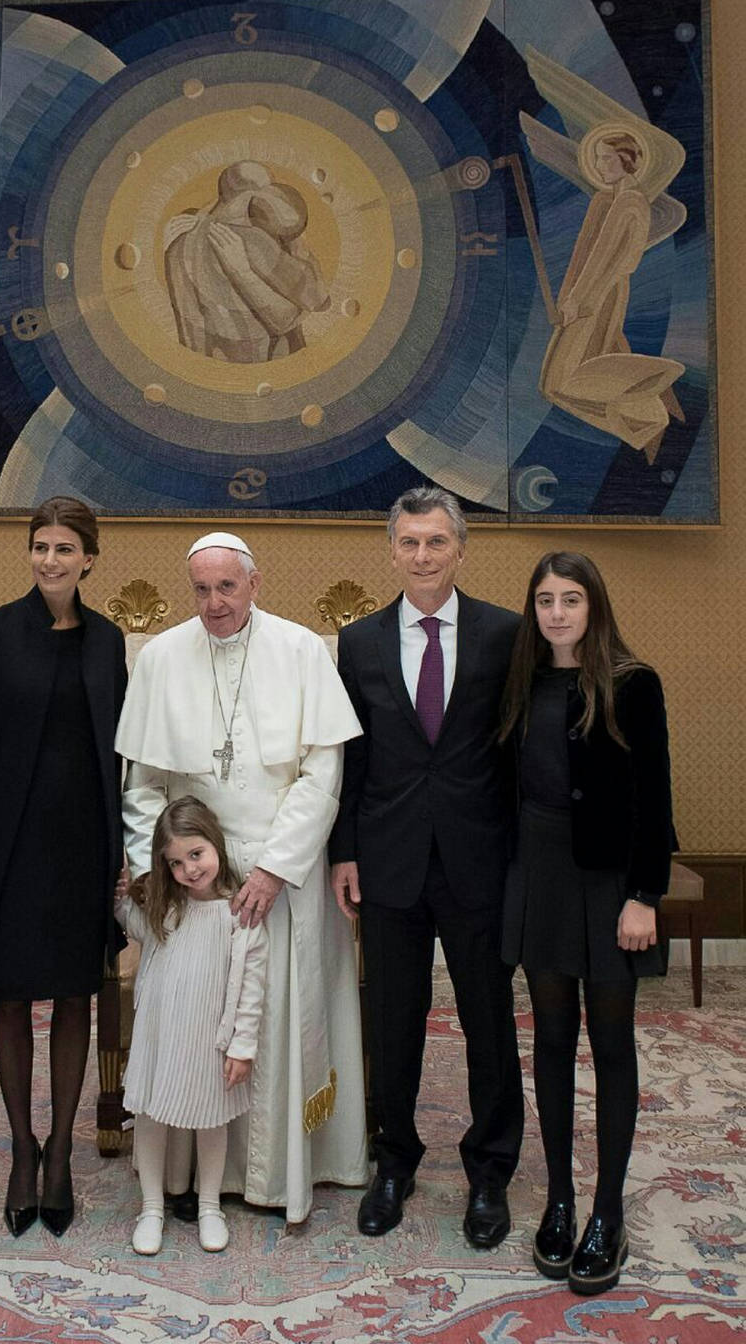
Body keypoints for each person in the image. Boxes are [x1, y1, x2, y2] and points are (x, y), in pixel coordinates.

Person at [114, 530, 367, 1225]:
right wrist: (153, 876)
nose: (214, 603)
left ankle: (279, 1173)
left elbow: (323, 772)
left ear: (256, 583)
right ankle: (193, 1181)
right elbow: (143, 788)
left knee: (274, 1020)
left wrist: (276, 869)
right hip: (194, 889)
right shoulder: (163, 657)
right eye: (201, 589)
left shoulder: (300, 651)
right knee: (200, 1028)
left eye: (227, 587)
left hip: (281, 878)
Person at [329, 486, 524, 1245]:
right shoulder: (360, 642)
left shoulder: (505, 635)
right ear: (393, 550)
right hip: (388, 862)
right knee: (393, 1020)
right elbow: (350, 757)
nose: (422, 556)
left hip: (479, 860)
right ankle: (394, 1161)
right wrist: (344, 850)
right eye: (409, 543)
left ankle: (490, 1170)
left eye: (435, 542)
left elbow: (513, 755)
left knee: (488, 1021)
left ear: (460, 549)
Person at [0, 495, 126, 1237]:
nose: (50, 560)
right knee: (14, 995)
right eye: (40, 547)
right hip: (10, 843)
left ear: (89, 557)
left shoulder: (108, 639)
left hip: (83, 843)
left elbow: (121, 748)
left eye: (64, 548)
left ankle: (61, 1154)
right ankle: (23, 1149)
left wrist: (124, 851)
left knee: (77, 996)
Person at [499, 551, 674, 1294]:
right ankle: (561, 1200)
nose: (558, 612)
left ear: (595, 606)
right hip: (537, 875)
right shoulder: (522, 681)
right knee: (550, 1039)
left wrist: (645, 895)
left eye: (572, 598)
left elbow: (654, 797)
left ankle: (608, 1212)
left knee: (609, 1045)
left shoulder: (633, 684)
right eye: (545, 599)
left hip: (607, 886)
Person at [115, 796, 267, 1256]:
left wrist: (242, 1046)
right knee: (151, 1117)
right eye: (176, 862)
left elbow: (252, 988)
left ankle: (209, 1206)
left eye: (195, 854)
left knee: (212, 1121)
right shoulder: (167, 906)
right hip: (159, 1037)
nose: (188, 869)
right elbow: (134, 923)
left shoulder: (239, 912)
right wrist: (122, 896)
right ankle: (152, 1207)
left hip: (208, 1043)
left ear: (215, 842)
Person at [538, 124, 685, 456]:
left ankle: (649, 405)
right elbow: (584, 253)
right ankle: (643, 412)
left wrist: (580, 299)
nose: (601, 166)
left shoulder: (631, 204)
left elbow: (612, 260)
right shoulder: (607, 200)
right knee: (561, 380)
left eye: (606, 158)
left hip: (600, 296)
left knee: (557, 384)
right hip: (588, 295)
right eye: (598, 159)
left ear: (626, 160)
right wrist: (568, 294)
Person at [164, 160, 329, 362]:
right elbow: (317, 299)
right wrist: (294, 241)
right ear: (251, 197)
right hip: (275, 367)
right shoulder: (255, 240)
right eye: (269, 193)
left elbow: (191, 336)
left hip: (223, 375)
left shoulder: (177, 246)